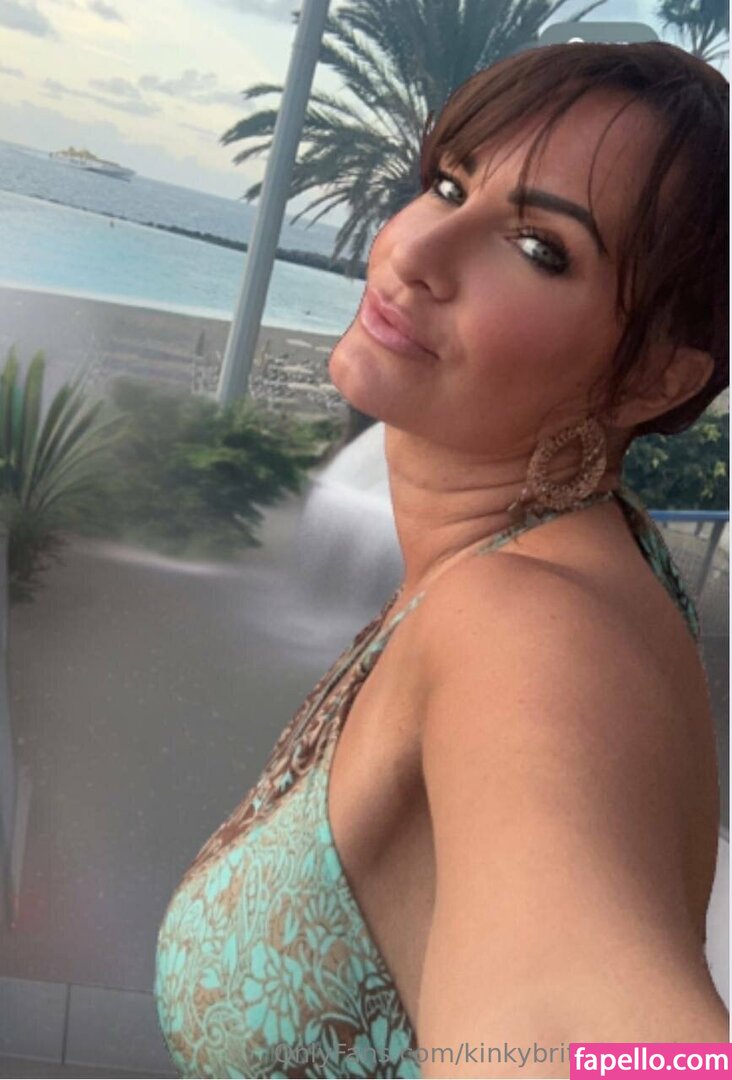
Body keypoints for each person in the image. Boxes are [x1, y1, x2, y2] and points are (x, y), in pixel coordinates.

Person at [154, 41, 729, 1079]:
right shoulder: (583, 550)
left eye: (541, 247)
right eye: (450, 185)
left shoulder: (524, 628)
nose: (418, 249)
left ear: (653, 377)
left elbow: (587, 1034)